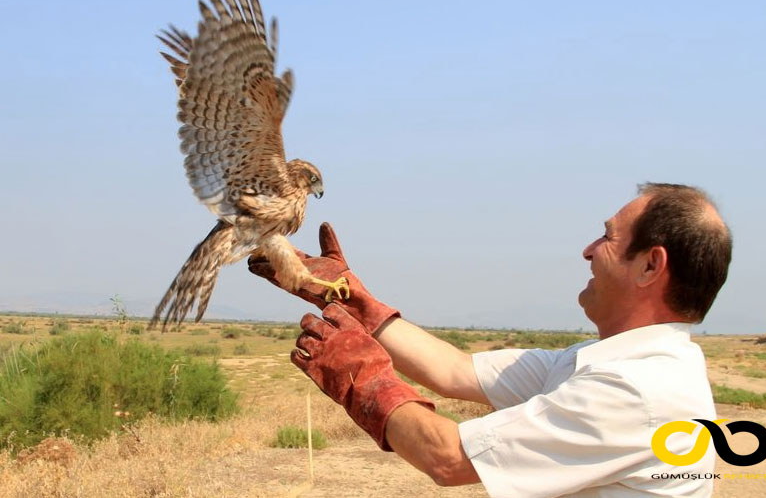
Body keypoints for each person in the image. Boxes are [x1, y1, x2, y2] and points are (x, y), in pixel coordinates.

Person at [248, 182, 733, 497]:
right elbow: (454, 371)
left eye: (606, 238)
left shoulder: (639, 391)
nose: (586, 251)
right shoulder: (600, 363)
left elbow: (448, 457)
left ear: (651, 265)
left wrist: (364, 378)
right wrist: (351, 299)